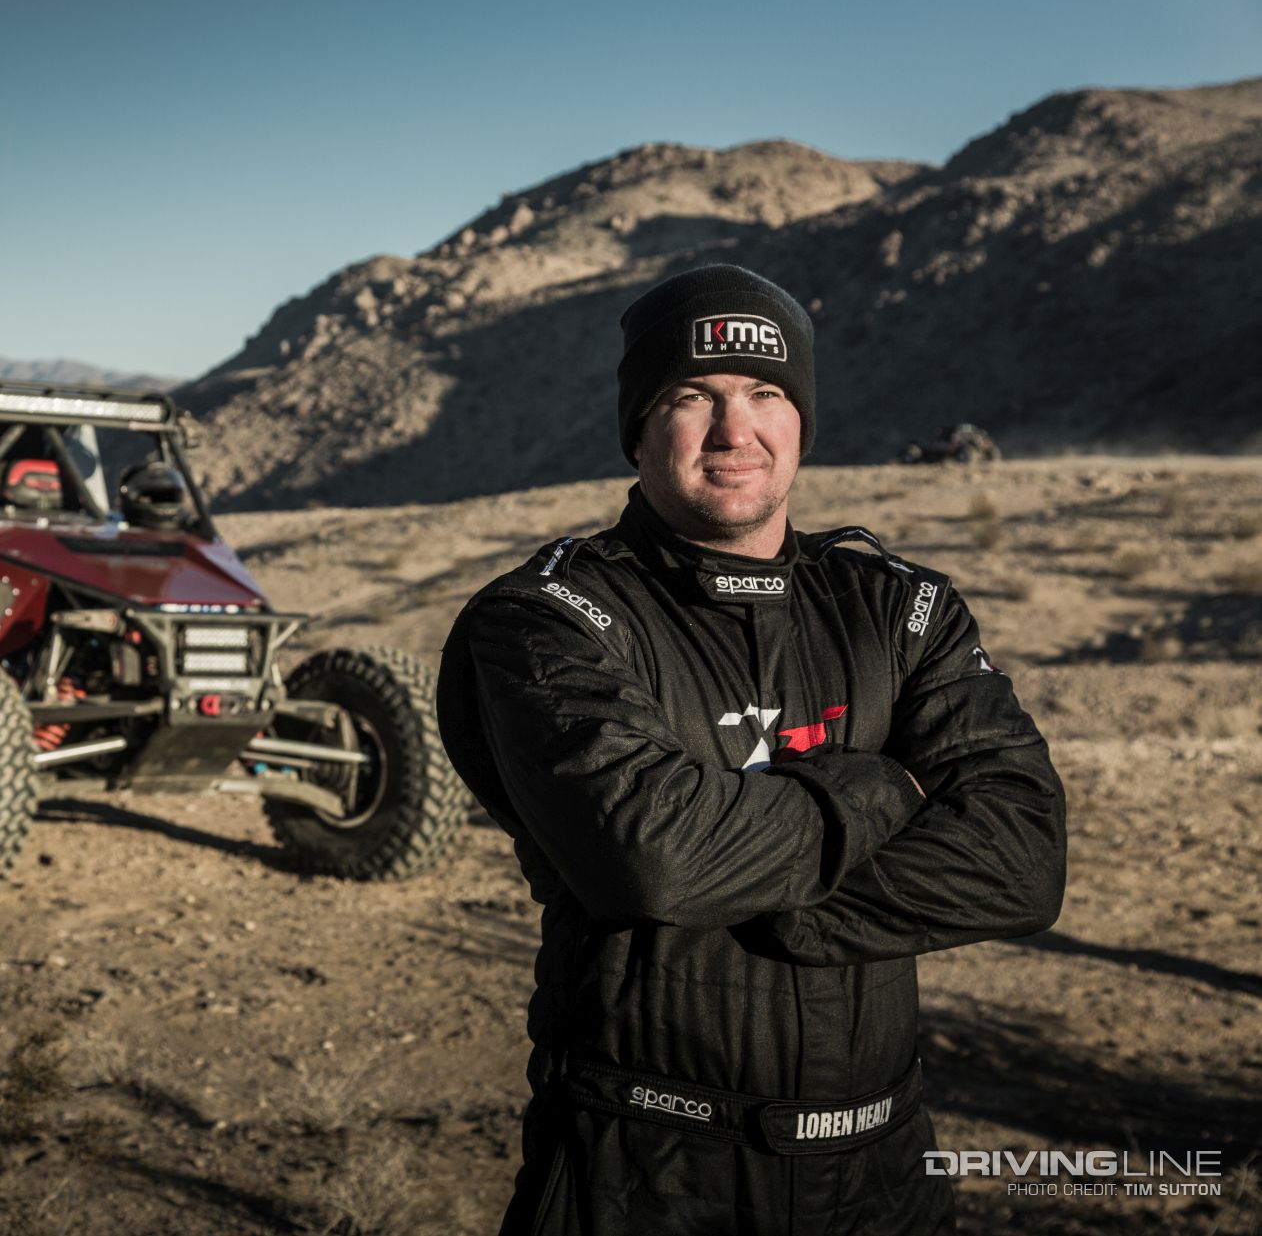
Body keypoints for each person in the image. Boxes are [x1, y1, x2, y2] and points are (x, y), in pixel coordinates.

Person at [435, 264, 1066, 1235]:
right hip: (640, 1173)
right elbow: (655, 860)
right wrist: (881, 789)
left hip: (882, 1175)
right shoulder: (549, 618)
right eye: (692, 396)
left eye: (765, 394)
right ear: (637, 427)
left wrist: (772, 898)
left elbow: (1021, 862)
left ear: (801, 420)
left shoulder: (901, 612)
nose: (735, 431)